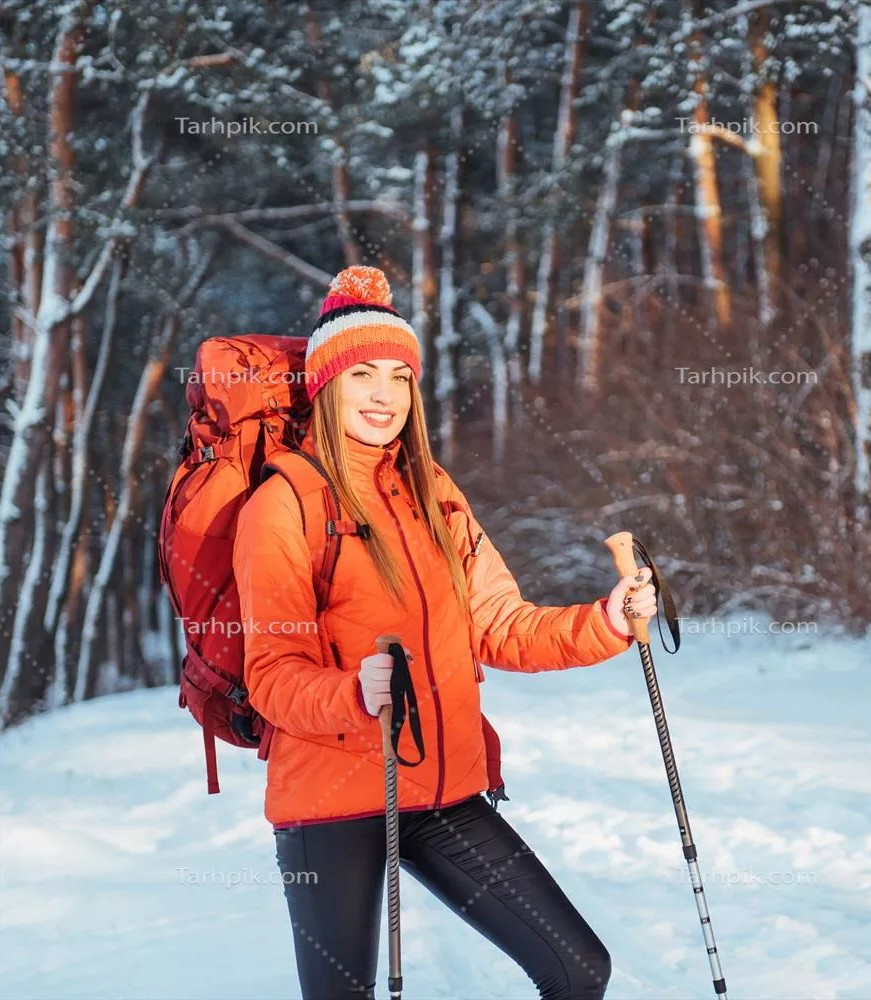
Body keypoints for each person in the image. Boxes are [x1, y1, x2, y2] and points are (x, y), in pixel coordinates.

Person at [232, 266, 658, 1000]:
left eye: (399, 377)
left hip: (441, 790)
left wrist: (606, 620)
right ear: (326, 385)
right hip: (329, 803)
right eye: (363, 373)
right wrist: (351, 692)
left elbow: (500, 625)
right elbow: (271, 674)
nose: (383, 396)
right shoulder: (284, 504)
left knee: (577, 967)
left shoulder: (433, 492)